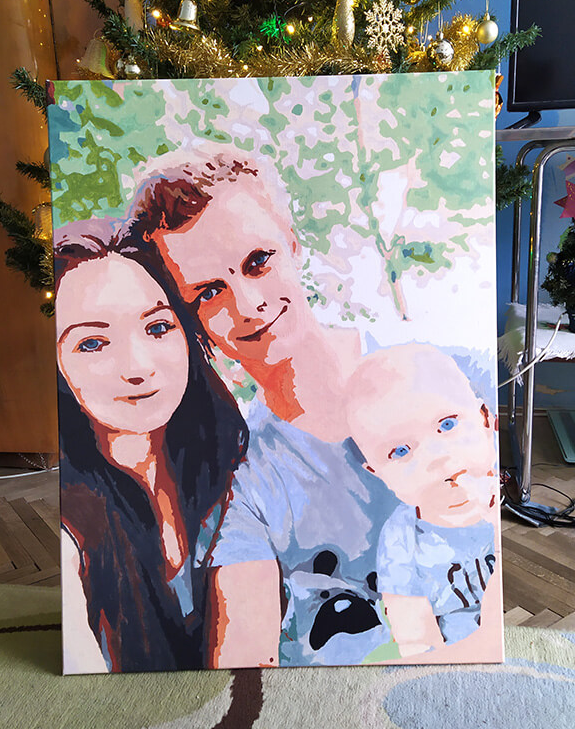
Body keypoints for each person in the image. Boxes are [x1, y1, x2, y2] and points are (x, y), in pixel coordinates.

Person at [125, 153, 498, 667]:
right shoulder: (241, 479)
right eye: (209, 292)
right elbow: (245, 652)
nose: (248, 305)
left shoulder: (458, 376)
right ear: (189, 318)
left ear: (293, 242)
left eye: (258, 261)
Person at [55, 217, 247, 673]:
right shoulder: (69, 530)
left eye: (158, 328)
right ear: (58, 366)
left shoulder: (234, 463)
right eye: (93, 343)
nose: (137, 367)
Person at [346, 344, 500, 658]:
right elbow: (414, 638)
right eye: (400, 451)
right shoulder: (401, 539)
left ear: (485, 421)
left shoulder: (501, 506)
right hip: (448, 659)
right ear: (378, 474)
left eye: (447, 424)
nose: (436, 457)